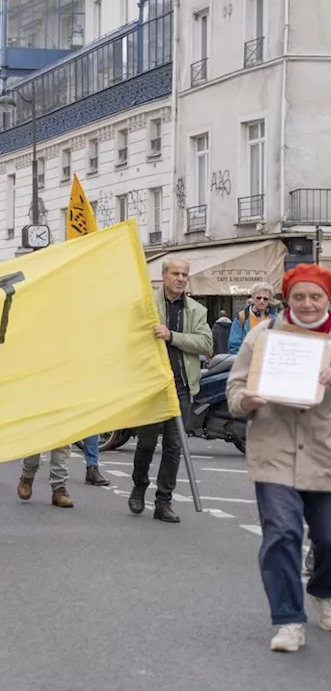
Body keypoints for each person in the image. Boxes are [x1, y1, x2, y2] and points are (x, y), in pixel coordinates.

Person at [227, 263, 331, 652]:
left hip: (326, 452)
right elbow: (235, 388)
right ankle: (288, 620)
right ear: (287, 299)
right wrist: (245, 399)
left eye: (315, 296)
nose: (307, 304)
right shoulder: (263, 336)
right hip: (275, 451)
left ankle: (323, 590)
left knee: (328, 537)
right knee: (283, 534)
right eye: (299, 296)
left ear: (326, 299)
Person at [128, 257, 213, 524]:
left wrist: (172, 336)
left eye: (184, 274)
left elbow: (205, 342)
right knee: (147, 442)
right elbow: (130, 337)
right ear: (164, 276)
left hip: (182, 386)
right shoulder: (147, 305)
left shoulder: (197, 310)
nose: (180, 278)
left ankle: (163, 501)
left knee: (174, 446)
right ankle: (139, 486)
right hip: (152, 385)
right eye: (175, 273)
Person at [228, 282, 280, 354]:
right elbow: (234, 346)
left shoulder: (275, 318)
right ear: (253, 297)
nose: (261, 301)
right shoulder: (241, 317)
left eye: (265, 299)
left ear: (269, 300)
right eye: (258, 298)